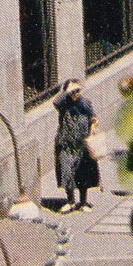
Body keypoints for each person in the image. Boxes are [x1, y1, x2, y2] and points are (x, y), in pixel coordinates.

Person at [53, 80, 97, 213]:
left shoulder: (84, 102)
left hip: (82, 144)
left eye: (77, 90)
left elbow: (93, 117)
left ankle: (83, 202)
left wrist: (91, 130)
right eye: (73, 91)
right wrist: (67, 91)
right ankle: (70, 201)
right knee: (67, 172)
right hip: (66, 144)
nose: (75, 93)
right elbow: (55, 102)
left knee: (82, 174)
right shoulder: (63, 104)